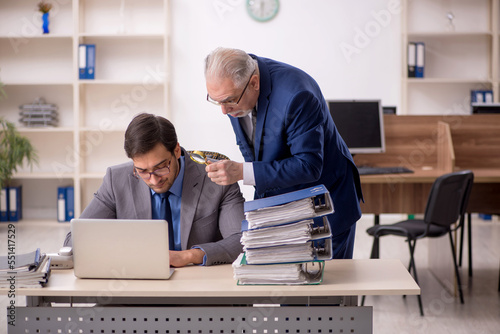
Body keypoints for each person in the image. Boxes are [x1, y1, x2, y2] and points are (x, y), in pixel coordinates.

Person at [204, 47, 363, 259]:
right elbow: (253, 149)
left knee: (329, 288)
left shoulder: (297, 96)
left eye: (228, 101)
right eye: (216, 101)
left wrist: (243, 172)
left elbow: (308, 165)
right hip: (283, 204)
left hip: (326, 203)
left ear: (254, 83)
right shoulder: (234, 89)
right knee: (283, 282)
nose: (223, 111)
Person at [64, 113, 244, 267]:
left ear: (176, 151)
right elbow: (74, 240)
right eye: (142, 171)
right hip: (137, 290)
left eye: (160, 167)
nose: (153, 179)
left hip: (199, 289)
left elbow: (242, 240)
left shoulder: (216, 177)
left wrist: (189, 256)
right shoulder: (116, 180)